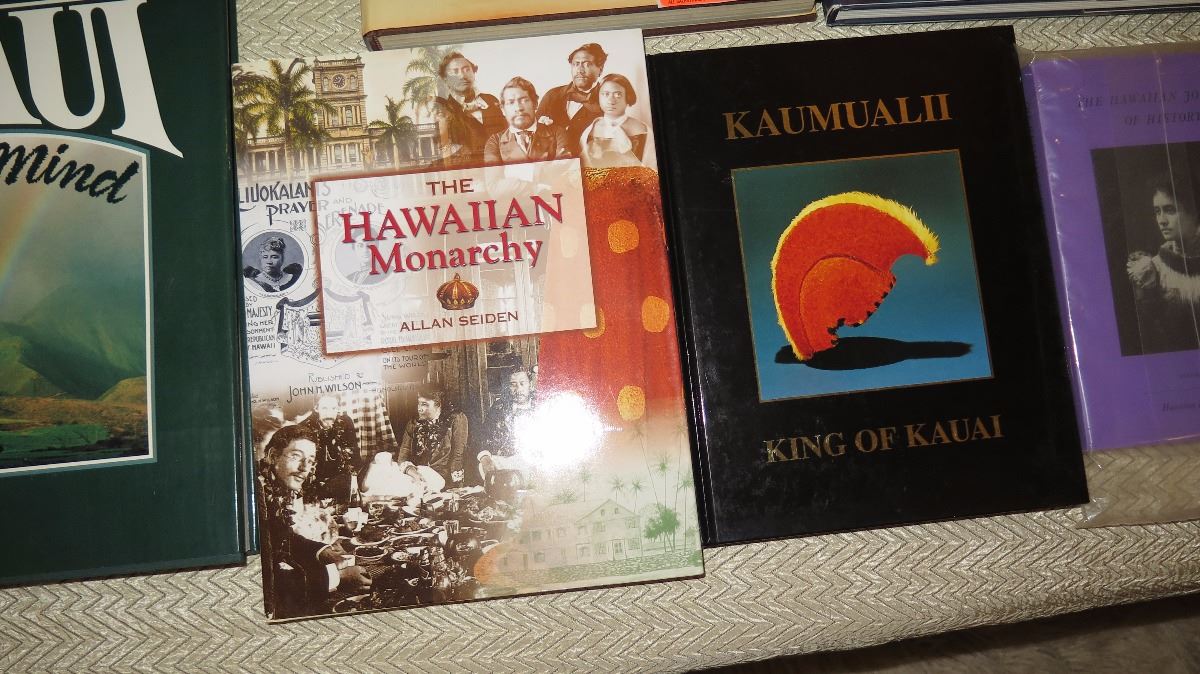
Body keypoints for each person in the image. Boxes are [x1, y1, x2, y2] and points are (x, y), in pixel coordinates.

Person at [257, 424, 371, 620]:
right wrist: (338, 577)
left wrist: (323, 552)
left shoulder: (271, 487)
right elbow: (269, 583)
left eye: (309, 461)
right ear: (273, 455)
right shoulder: (256, 497)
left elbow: (281, 537)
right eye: (296, 456)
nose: (304, 468)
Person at [1127, 173, 1200, 354]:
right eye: (1157, 212)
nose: (1162, 220)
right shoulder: (1153, 270)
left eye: (1170, 210)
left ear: (1194, 211)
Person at [432, 52, 506, 167]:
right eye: (455, 72)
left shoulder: (491, 100)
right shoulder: (443, 111)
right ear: (445, 79)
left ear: (474, 72)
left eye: (467, 69)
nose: (462, 76)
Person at [535, 43, 607, 156]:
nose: (580, 70)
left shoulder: (607, 101)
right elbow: (535, 135)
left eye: (587, 64)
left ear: (600, 69)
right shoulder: (552, 95)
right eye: (576, 64)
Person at [483, 77, 571, 164]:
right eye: (511, 102)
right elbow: (494, 173)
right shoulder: (495, 142)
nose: (518, 108)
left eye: (524, 100)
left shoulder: (557, 133)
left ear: (535, 103)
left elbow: (564, 169)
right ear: (503, 109)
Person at [395, 385, 467, 488]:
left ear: (438, 405)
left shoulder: (456, 420)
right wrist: (413, 473)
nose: (419, 409)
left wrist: (457, 486)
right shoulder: (413, 424)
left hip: (444, 480)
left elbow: (458, 455)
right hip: (417, 476)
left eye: (424, 404)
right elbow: (403, 457)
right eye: (419, 403)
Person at [578, 73, 649, 169]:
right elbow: (583, 166)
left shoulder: (641, 128)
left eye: (618, 94)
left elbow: (652, 166)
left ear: (627, 97)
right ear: (598, 97)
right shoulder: (590, 130)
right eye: (605, 94)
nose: (611, 101)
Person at [300, 394, 360, 502]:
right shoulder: (305, 428)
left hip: (341, 480)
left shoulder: (346, 423)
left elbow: (354, 458)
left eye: (333, 408)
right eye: (324, 408)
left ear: (338, 409)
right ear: (316, 408)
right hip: (313, 482)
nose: (329, 413)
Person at [478, 369, 535, 482]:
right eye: (513, 384)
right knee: (484, 466)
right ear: (508, 387)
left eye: (522, 383)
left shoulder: (541, 405)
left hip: (532, 461)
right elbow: (484, 435)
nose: (518, 389)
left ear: (530, 384)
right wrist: (485, 458)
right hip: (506, 460)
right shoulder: (499, 407)